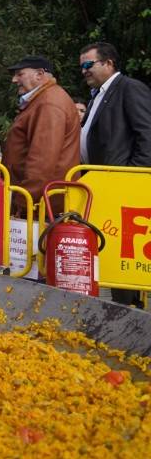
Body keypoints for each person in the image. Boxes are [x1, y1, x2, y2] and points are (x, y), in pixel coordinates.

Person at [78, 41, 151, 307]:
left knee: (125, 259)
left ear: (108, 63)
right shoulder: (98, 94)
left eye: (88, 64)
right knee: (111, 257)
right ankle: (122, 309)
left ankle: (132, 313)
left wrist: (132, 178)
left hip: (123, 188)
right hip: (102, 186)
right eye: (81, 66)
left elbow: (147, 135)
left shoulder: (129, 88)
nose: (83, 70)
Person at [2, 56, 79, 212]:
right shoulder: (45, 100)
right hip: (42, 202)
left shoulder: (48, 103)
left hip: (39, 207)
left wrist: (23, 203)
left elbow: (42, 162)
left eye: (20, 74)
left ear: (39, 74)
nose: (14, 80)